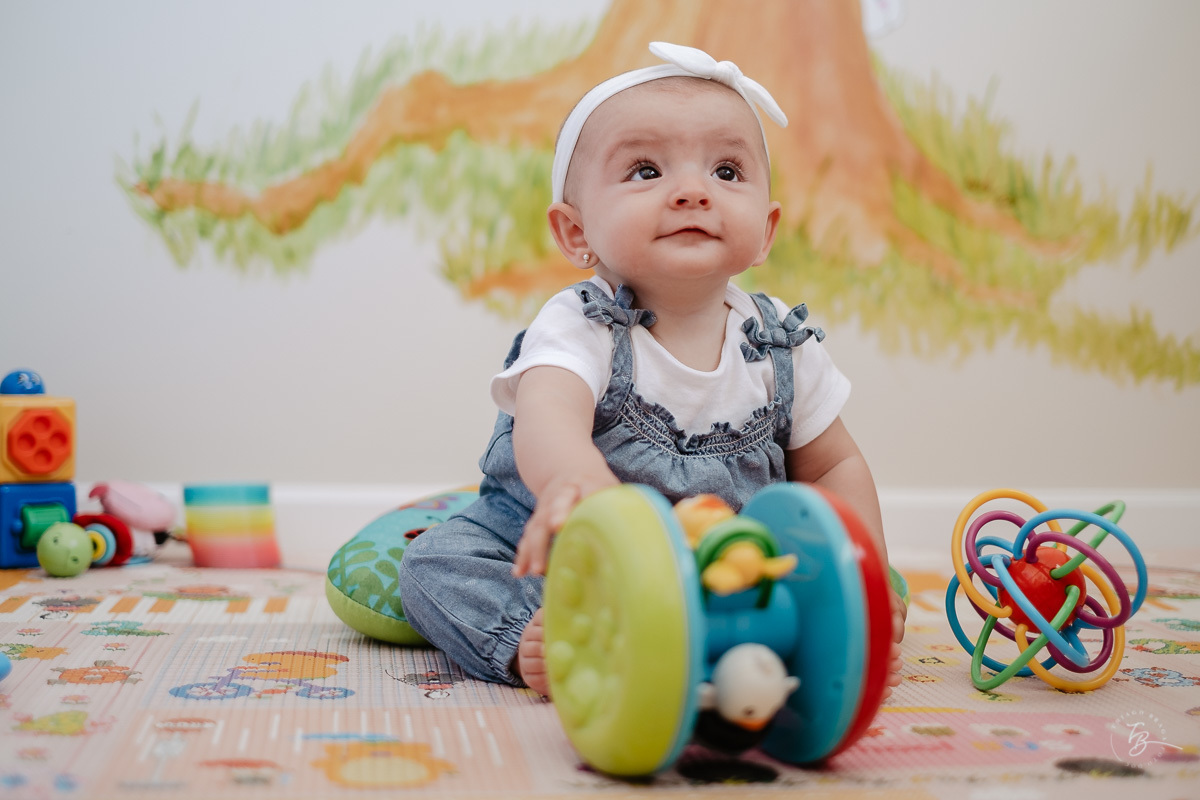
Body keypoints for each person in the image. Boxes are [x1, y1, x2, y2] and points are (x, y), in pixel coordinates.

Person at [397, 41, 906, 699]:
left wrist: (864, 569)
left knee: (832, 576)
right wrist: (578, 481)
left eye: (726, 171)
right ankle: (547, 637)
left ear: (766, 230)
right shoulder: (582, 322)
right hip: (578, 559)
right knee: (434, 562)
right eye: (646, 170)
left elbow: (834, 466)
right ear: (576, 232)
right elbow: (549, 411)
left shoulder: (781, 341)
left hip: (724, 568)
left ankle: (763, 632)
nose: (693, 192)